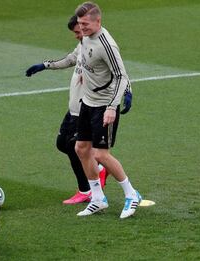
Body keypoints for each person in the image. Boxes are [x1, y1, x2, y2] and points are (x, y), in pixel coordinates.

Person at [25, 15, 132, 204]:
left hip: (89, 107)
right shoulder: (83, 44)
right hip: (74, 107)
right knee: (62, 144)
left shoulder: (102, 46)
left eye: (79, 29)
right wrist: (45, 65)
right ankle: (98, 169)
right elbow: (71, 59)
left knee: (77, 148)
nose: (77, 34)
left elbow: (119, 73)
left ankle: (87, 190)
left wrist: (128, 92)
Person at [73, 2, 141, 219]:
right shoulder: (85, 37)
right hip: (88, 103)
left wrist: (112, 107)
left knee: (101, 154)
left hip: (104, 105)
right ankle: (98, 198)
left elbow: (121, 75)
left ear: (98, 21)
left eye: (86, 24)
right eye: (80, 24)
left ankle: (132, 194)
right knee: (81, 148)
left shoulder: (106, 44)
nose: (81, 28)